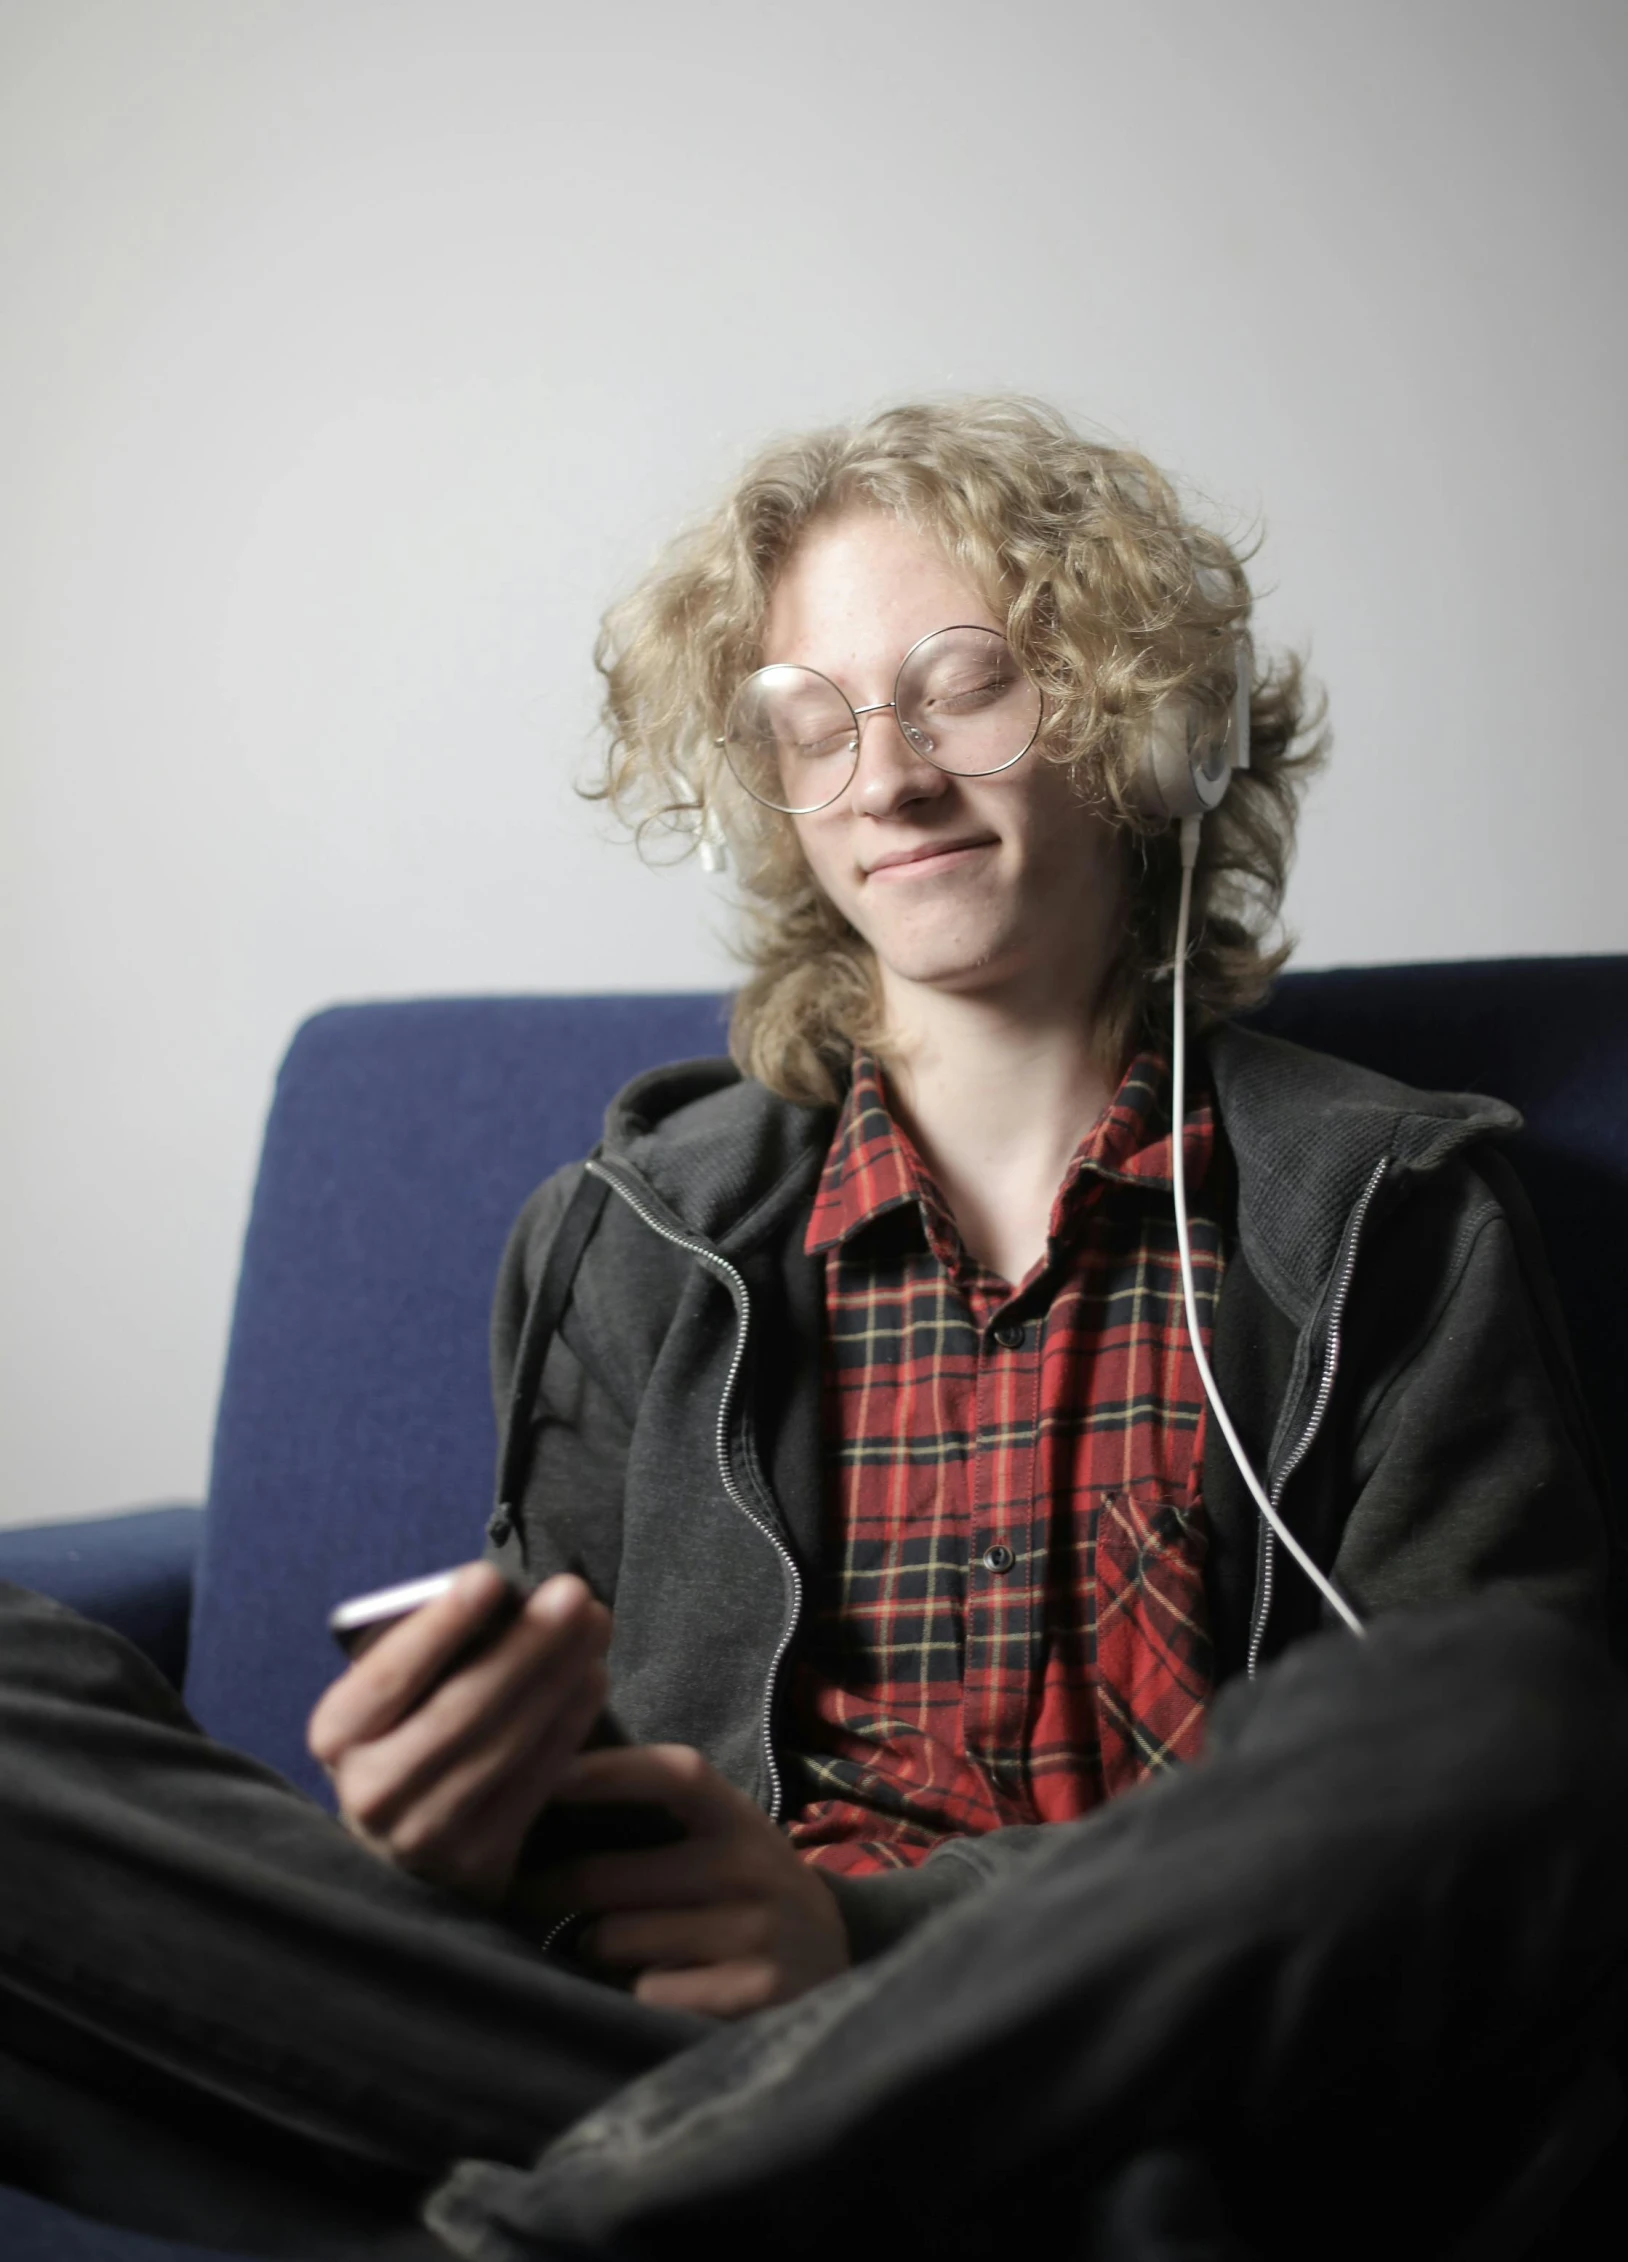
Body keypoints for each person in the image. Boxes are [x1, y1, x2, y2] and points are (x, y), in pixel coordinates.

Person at [1, 397, 1624, 2262]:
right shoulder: (635, 1239)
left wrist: (855, 1940)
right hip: (633, 2062)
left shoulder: (1395, 1210)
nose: (888, 775)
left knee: (1516, 1706)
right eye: (813, 719)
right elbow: (573, 1833)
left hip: (1164, 2111)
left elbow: (1484, 1851)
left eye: (964, 688)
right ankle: (682, 2193)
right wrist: (459, 1837)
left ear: (1147, 731)